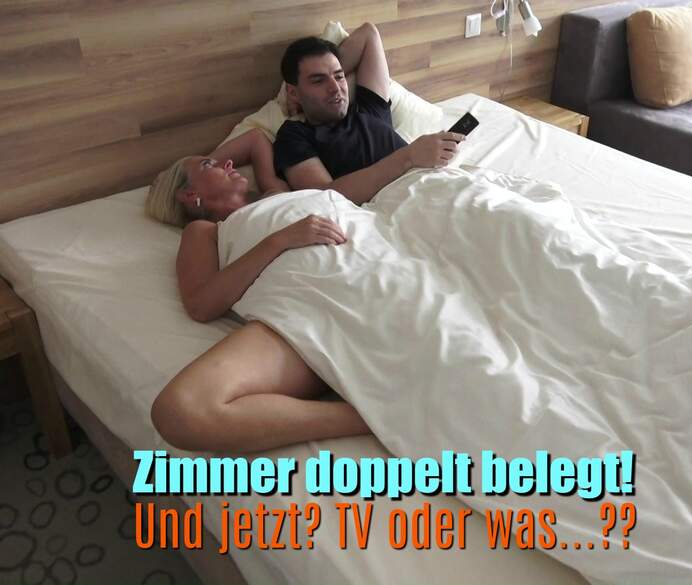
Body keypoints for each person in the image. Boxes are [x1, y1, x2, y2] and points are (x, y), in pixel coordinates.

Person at [146, 23, 462, 453]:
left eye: (221, 160)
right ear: (190, 196)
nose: (226, 163)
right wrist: (279, 240)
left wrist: (312, 88)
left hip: (366, 267)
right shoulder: (205, 230)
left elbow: (255, 139)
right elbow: (202, 304)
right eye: (210, 165)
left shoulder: (274, 189)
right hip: (301, 306)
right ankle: (372, 416)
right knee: (180, 410)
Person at [274, 22, 466, 203]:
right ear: (293, 92)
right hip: (405, 201)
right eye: (318, 80)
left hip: (442, 184)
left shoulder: (368, 108)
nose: (335, 88)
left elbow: (369, 34)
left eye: (339, 76)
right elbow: (324, 197)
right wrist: (409, 156)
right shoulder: (294, 135)